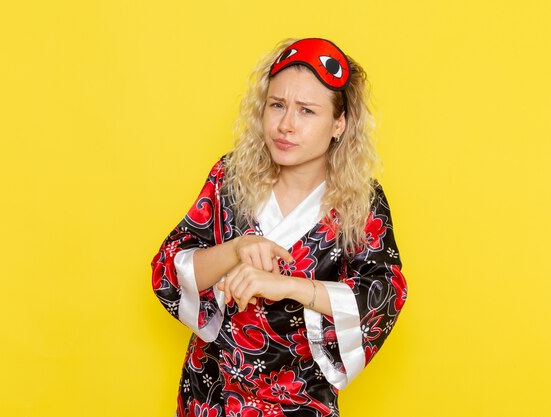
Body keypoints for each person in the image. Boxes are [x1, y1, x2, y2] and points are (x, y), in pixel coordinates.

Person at [151, 37, 408, 417]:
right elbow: (168, 270)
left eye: (306, 111)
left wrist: (290, 286)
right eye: (277, 105)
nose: (286, 125)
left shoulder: (360, 200)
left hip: (300, 403)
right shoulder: (231, 178)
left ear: (339, 123)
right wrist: (238, 248)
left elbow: (384, 293)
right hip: (210, 397)